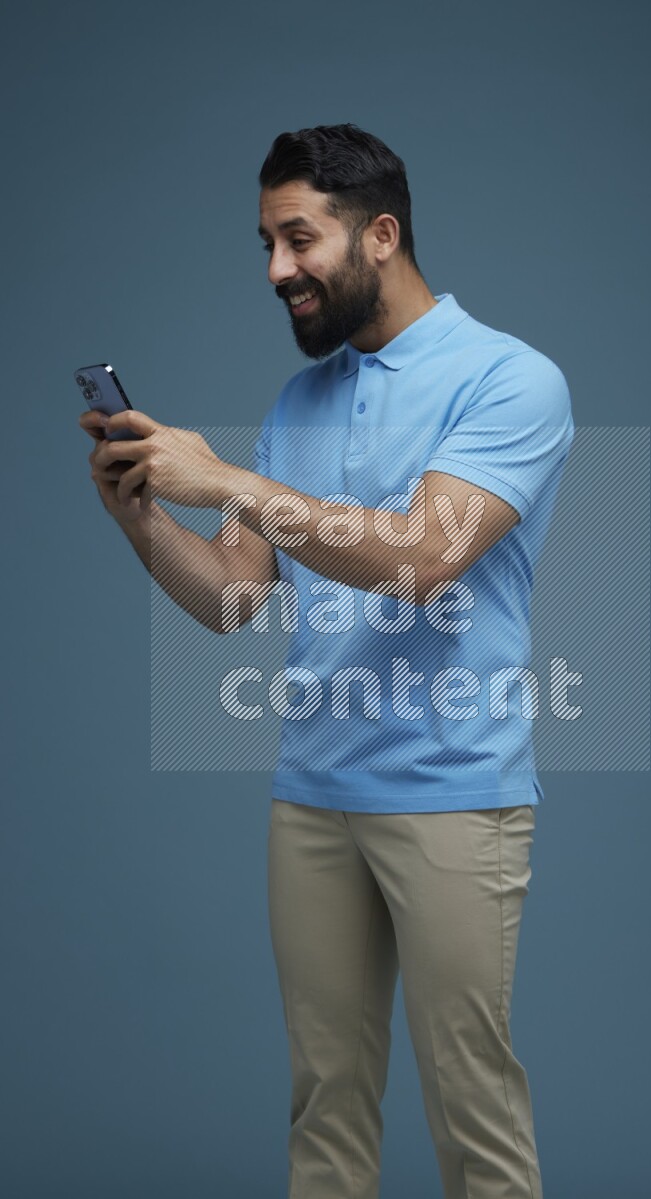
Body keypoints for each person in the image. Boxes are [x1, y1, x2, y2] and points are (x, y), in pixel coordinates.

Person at [79, 122, 575, 1199]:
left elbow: (426, 558)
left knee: (473, 1109)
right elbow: (233, 598)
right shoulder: (297, 403)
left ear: (380, 235)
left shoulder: (509, 379)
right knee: (326, 1105)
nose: (276, 269)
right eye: (266, 243)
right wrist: (142, 517)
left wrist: (232, 483)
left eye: (298, 239)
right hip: (312, 794)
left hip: (453, 790)